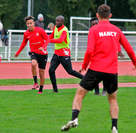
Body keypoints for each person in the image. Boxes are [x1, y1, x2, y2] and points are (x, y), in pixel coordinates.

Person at [61, 4, 136, 133]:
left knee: (79, 93)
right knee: (112, 99)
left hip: (96, 69)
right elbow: (129, 49)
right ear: (110, 16)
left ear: (97, 15)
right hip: (112, 71)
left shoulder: (94, 30)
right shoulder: (116, 30)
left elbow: (90, 50)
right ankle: (114, 127)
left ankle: (74, 118)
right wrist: (135, 63)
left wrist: (84, 66)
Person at [41, 15, 83, 93]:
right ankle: (55, 90)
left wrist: (49, 41)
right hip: (57, 53)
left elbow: (60, 40)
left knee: (70, 71)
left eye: (58, 21)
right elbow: (51, 36)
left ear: (62, 22)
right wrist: (45, 40)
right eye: (56, 21)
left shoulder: (64, 30)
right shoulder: (56, 28)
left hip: (64, 53)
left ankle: (85, 79)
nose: (56, 22)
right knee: (51, 70)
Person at [90, 17, 125, 96]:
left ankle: (105, 90)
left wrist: (119, 51)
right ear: (91, 25)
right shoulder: (92, 32)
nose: (95, 25)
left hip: (107, 56)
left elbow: (115, 41)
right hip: (96, 58)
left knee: (106, 74)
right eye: (93, 24)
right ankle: (96, 92)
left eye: (96, 23)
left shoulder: (104, 32)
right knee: (95, 75)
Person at [15, 16, 48, 94]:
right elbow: (24, 43)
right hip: (34, 53)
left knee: (41, 72)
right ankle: (35, 83)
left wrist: (43, 47)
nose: (29, 25)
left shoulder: (40, 30)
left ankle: (41, 89)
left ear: (34, 23)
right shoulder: (26, 33)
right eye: (28, 23)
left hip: (43, 54)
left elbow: (47, 39)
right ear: (26, 24)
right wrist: (18, 52)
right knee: (33, 64)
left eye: (31, 23)